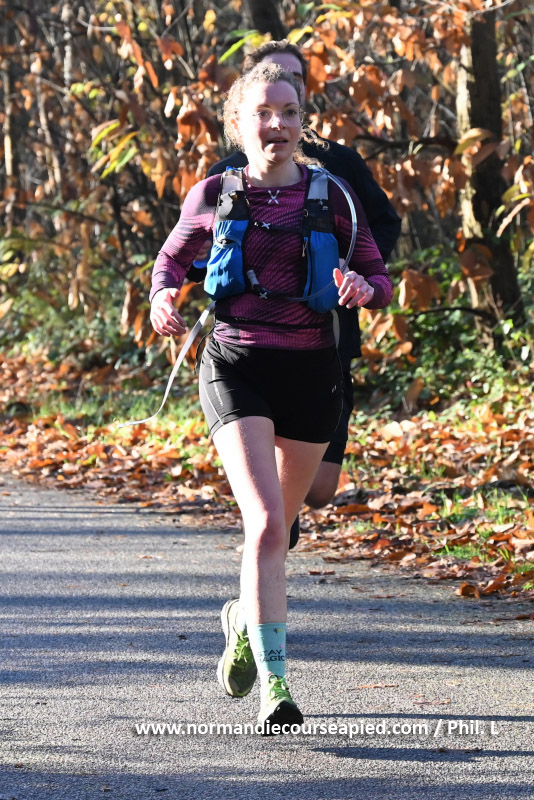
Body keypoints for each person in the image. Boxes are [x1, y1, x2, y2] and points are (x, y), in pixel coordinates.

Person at [150, 62, 393, 732]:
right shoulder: (215, 192)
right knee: (263, 524)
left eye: (289, 112)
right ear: (238, 122)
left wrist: (364, 289)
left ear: (302, 121)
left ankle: (241, 621)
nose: (277, 124)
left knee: (280, 530)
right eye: (263, 112)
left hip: (313, 374)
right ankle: (276, 687)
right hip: (237, 366)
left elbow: (378, 276)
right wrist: (162, 297)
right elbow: (171, 260)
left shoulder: (334, 195)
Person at [189, 40, 401, 549]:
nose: (278, 118)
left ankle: (276, 517)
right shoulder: (227, 175)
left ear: (304, 95)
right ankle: (269, 526)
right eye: (268, 93)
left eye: (296, 84)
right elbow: (195, 250)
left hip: (324, 331)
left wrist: (346, 269)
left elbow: (381, 228)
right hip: (246, 341)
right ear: (245, 100)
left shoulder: (340, 166)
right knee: (269, 513)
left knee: (322, 489)